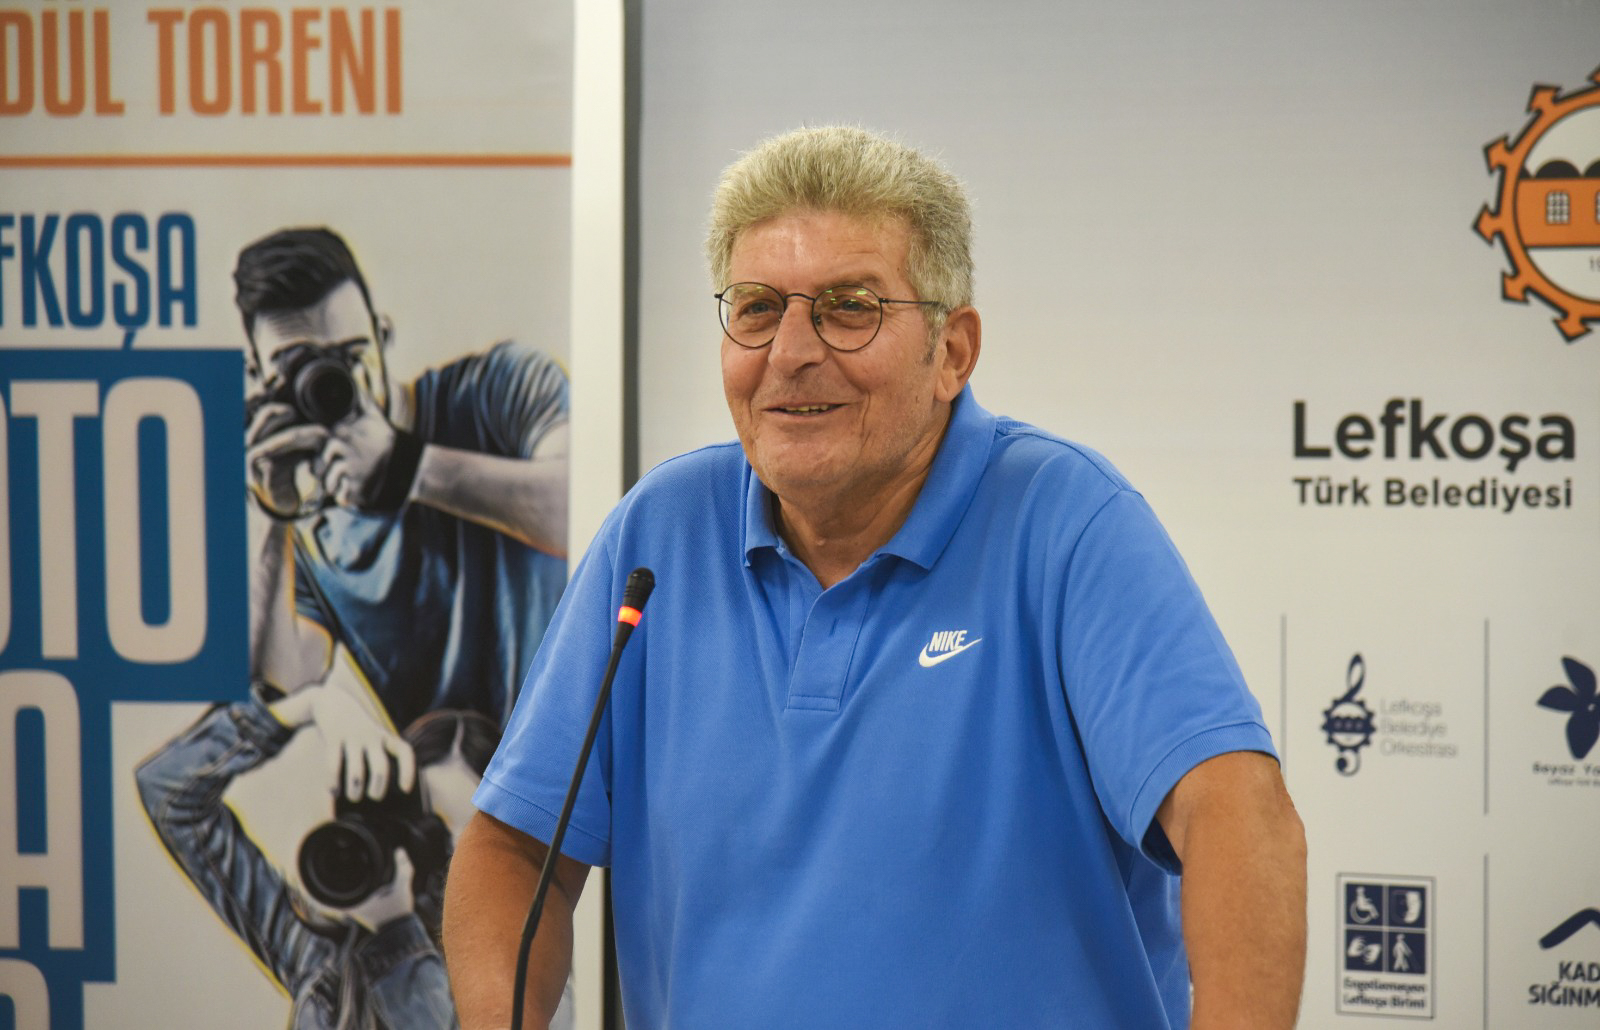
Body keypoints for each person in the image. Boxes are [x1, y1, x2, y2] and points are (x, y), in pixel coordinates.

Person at [443, 126, 1307, 1029]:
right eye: (757, 308)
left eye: (848, 307)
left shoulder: (1066, 520)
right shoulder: (660, 532)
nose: (790, 352)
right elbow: (513, 851)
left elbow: (1238, 817)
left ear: (952, 351)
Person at [238, 227, 569, 735]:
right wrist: (272, 511)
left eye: (350, 355)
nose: (331, 382)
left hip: (564, 762)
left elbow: (589, 508)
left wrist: (407, 467)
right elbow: (287, 684)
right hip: (447, 783)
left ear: (382, 334)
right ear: (258, 374)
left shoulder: (497, 392)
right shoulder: (304, 518)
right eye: (297, 367)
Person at [134, 684, 560, 1028]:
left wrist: (399, 937)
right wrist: (311, 705)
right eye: (423, 829)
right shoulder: (328, 958)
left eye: (459, 845)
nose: (436, 864)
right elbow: (169, 795)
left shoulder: (531, 973)